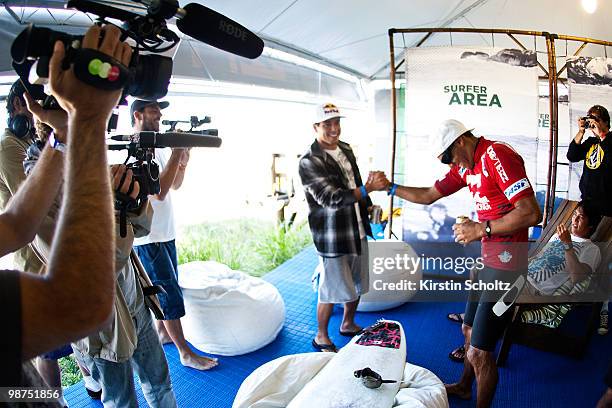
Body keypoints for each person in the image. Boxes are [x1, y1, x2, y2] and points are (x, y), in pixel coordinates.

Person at [0, 23, 128, 395]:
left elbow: (17, 224)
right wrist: (88, 120)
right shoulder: (8, 147)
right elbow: (80, 305)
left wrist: (64, 134)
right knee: (50, 365)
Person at [387, 119, 541, 407]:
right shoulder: (465, 168)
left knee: (480, 353)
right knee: (467, 331)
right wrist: (391, 187)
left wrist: (482, 229)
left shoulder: (497, 155)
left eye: (447, 157)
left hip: (508, 268)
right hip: (487, 262)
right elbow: (429, 195)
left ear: (460, 141)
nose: (449, 165)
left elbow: (531, 213)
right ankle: (464, 386)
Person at [132, 99, 218, 371]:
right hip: (149, 237)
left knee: (167, 287)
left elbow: (174, 184)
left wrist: (182, 161)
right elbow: (159, 192)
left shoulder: (155, 145)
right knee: (168, 294)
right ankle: (185, 352)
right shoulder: (138, 148)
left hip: (164, 232)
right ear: (138, 114)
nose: (159, 115)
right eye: (153, 111)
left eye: (159, 111)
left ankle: (162, 333)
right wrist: (176, 148)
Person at [298, 102, 388, 353]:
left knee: (358, 281)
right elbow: (330, 198)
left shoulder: (346, 149)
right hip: (332, 235)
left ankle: (348, 323)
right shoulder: (309, 161)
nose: (334, 128)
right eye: (327, 124)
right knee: (330, 288)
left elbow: (356, 182)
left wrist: (369, 205)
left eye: (337, 122)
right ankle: (321, 336)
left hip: (357, 228)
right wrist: (368, 188)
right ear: (316, 127)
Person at [567, 105, 611, 335]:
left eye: (595, 119)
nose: (591, 122)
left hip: (608, 212)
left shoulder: (610, 141)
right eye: (589, 118)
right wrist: (581, 131)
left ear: (604, 121)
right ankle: (569, 295)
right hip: (587, 204)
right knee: (575, 249)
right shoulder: (590, 143)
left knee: (603, 261)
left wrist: (602, 135)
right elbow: (571, 155)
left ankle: (602, 309)